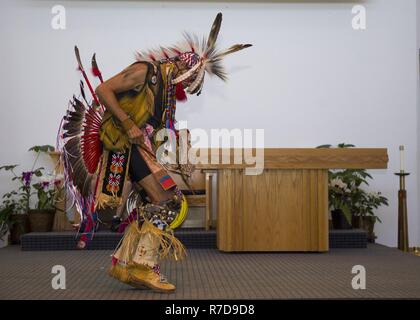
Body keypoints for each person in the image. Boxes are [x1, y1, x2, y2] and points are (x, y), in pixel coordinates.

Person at [59, 12, 251, 293]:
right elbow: (103, 89)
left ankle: (127, 264)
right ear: (182, 71)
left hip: (135, 147)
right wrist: (127, 123)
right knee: (168, 201)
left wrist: (176, 154)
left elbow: (153, 128)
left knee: (160, 202)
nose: (185, 87)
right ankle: (143, 266)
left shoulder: (166, 90)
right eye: (187, 82)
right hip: (121, 143)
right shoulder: (145, 71)